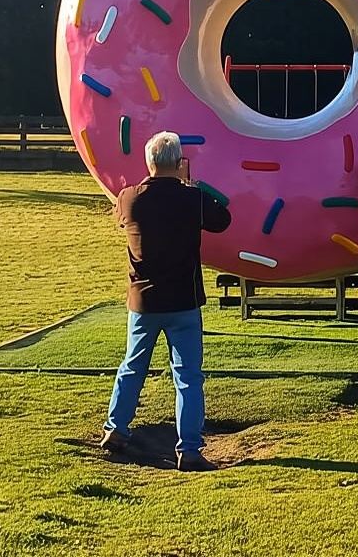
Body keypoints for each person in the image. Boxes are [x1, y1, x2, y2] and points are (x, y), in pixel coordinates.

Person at [100, 131, 231, 471]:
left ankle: (116, 428)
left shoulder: (130, 197)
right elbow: (223, 219)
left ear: (149, 162)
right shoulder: (192, 199)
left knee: (132, 366)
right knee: (188, 377)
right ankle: (189, 448)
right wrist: (194, 186)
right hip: (183, 301)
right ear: (178, 162)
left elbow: (120, 217)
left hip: (143, 301)